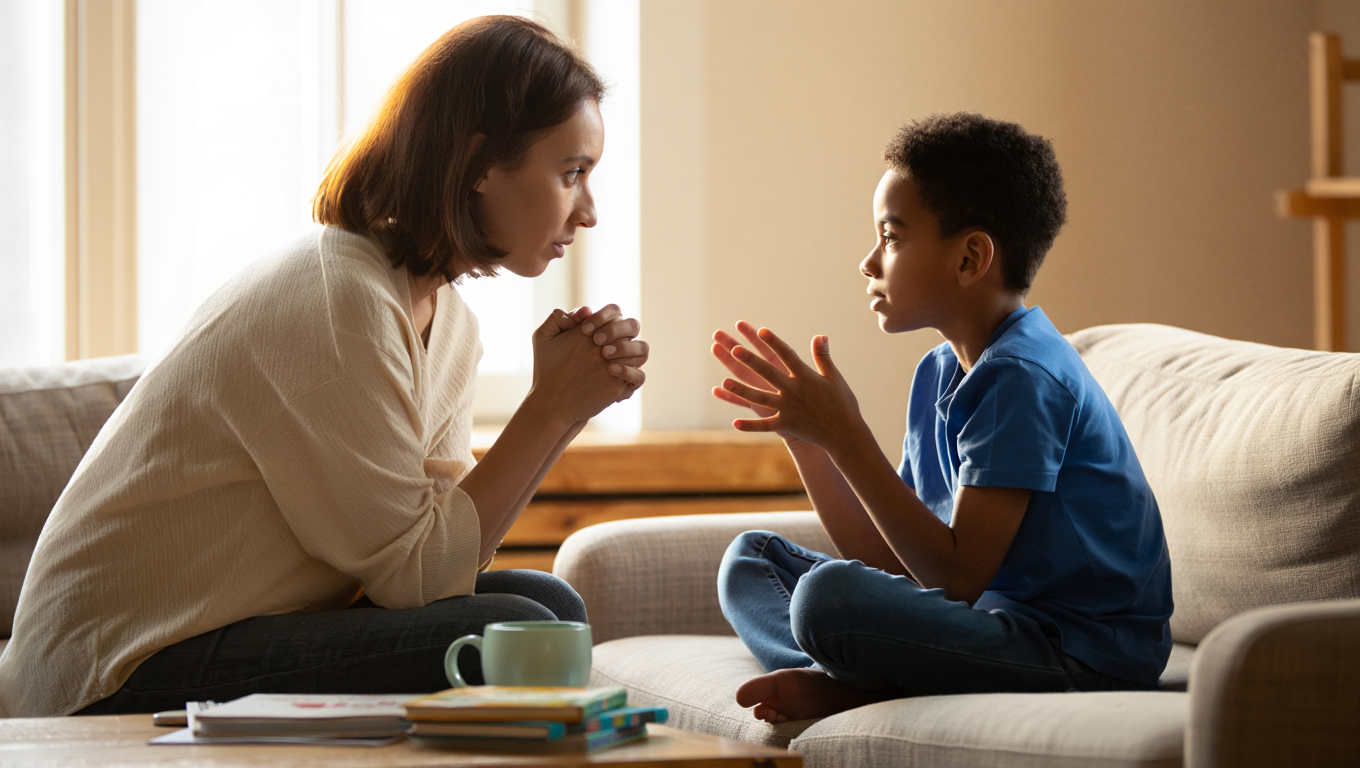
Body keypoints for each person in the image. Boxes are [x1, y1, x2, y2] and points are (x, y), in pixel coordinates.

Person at [0, 16, 646, 717]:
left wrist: (564, 410)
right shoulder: (339, 303)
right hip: (118, 665)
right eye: (571, 173)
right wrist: (551, 409)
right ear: (481, 163)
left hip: (234, 627)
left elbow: (442, 554)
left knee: (548, 606)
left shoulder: (447, 323)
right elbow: (417, 578)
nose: (588, 212)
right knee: (509, 629)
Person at [710, 113, 1172, 724]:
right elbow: (898, 565)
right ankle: (853, 675)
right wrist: (813, 446)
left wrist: (848, 434)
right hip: (986, 625)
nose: (868, 263)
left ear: (970, 257)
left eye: (892, 237)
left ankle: (861, 684)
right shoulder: (938, 372)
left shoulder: (1023, 376)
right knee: (752, 559)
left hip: (1079, 655)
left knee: (827, 598)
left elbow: (955, 578)